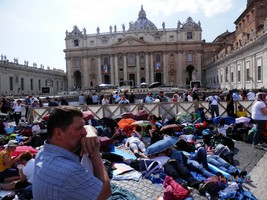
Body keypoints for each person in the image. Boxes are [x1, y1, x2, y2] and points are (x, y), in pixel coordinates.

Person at [33, 106, 111, 200]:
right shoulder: (70, 170)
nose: (84, 133)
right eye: (79, 129)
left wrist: (90, 132)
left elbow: (89, 128)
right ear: (58, 133)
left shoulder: (42, 153)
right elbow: (105, 192)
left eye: (84, 126)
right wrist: (95, 151)